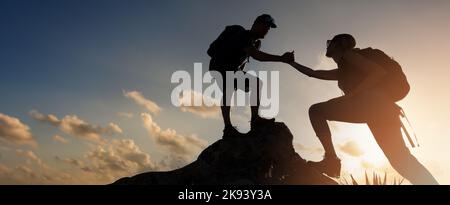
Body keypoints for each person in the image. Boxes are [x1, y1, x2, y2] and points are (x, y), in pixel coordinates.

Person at [287, 34, 438, 184]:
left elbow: (378, 72)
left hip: (372, 104)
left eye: (330, 42)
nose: (327, 45)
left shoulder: (350, 55)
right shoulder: (344, 69)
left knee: (316, 111)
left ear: (340, 44)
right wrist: (290, 63)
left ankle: (331, 161)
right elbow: (313, 73)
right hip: (381, 110)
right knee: (400, 160)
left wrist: (353, 94)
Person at [208, 14, 294, 138]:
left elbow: (243, 60)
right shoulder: (243, 35)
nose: (267, 30)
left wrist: (240, 73)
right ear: (256, 24)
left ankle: (254, 120)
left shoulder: (255, 43)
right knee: (231, 88)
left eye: (269, 28)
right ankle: (228, 128)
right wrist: (281, 58)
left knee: (255, 83)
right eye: (266, 26)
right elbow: (257, 56)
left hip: (231, 69)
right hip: (219, 66)